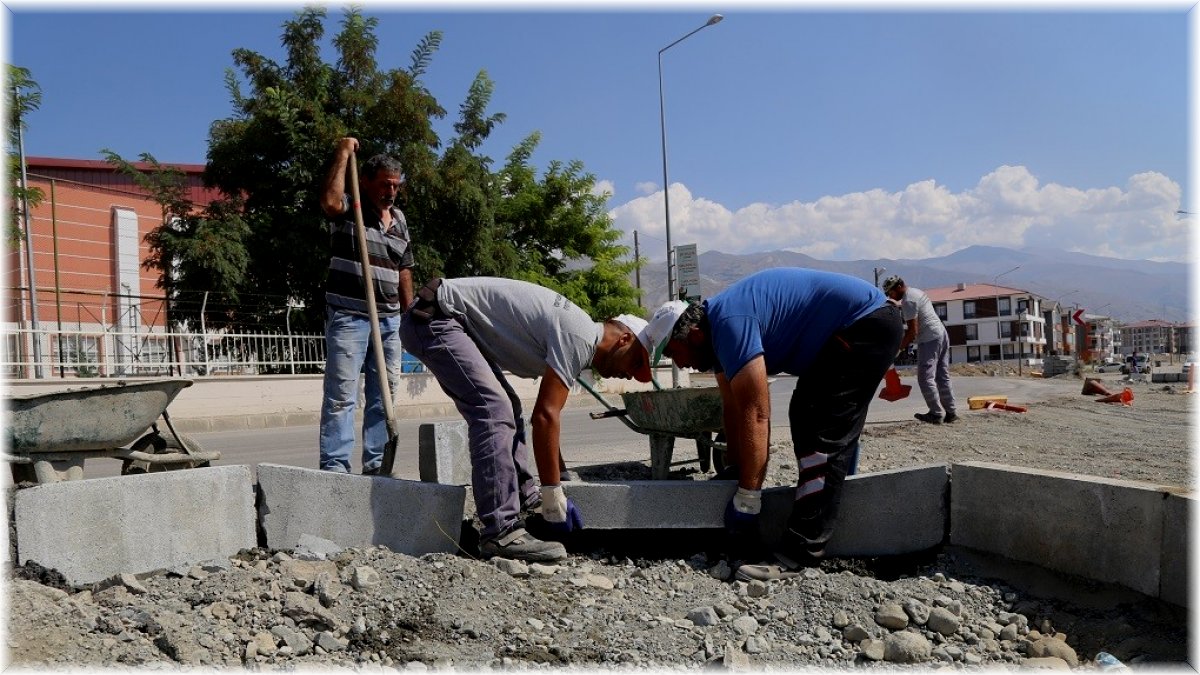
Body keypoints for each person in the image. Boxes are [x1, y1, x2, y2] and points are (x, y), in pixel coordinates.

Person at [642, 267, 903, 580]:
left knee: (818, 424)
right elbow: (734, 409)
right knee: (818, 415)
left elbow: (756, 415)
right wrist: (737, 472)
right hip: (860, 323)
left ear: (694, 334)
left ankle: (802, 551)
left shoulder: (728, 324)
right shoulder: (717, 334)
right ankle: (837, 509)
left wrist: (748, 499)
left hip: (865, 324)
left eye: (674, 352)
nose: (679, 363)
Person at [398, 276, 654, 562]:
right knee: (494, 411)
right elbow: (545, 417)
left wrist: (559, 479)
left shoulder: (579, 334)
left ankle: (523, 500)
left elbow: (544, 418)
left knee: (509, 407)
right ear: (624, 339)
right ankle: (500, 532)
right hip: (435, 319)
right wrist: (553, 493)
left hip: (449, 319)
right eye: (635, 363)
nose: (631, 374)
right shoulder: (580, 338)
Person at [317, 137, 415, 475]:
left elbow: (404, 270)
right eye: (385, 184)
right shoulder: (351, 207)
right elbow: (329, 201)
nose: (391, 191)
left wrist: (410, 315)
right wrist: (342, 153)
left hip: (389, 323)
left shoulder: (400, 220)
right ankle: (335, 468)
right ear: (366, 182)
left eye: (395, 185)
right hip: (349, 316)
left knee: (383, 397)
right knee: (342, 396)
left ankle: (376, 467)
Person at [881, 276, 958, 424]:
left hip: (929, 338)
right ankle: (951, 412)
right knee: (942, 376)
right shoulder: (916, 292)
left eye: (890, 292)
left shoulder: (908, 301)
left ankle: (935, 414)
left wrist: (898, 350)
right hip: (941, 333)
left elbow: (912, 332)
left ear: (898, 287)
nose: (890, 296)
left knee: (925, 378)